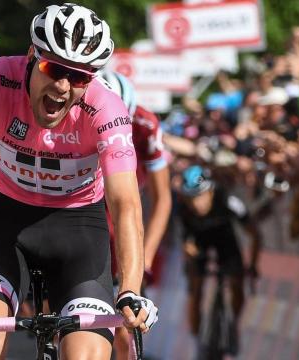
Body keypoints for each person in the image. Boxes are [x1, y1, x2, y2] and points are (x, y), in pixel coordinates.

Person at [0, 3, 158, 359]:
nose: (62, 86)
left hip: (80, 231)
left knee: (86, 355)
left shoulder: (107, 108)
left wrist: (130, 289)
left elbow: (125, 204)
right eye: (53, 68)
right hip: (8, 225)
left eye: (79, 77)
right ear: (30, 56)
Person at [100, 71, 172, 358]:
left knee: (123, 325)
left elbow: (162, 198)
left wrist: (145, 256)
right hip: (88, 212)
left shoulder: (146, 124)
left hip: (124, 216)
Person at [177, 164, 259, 357]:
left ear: (211, 191)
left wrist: (253, 265)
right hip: (199, 242)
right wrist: (191, 256)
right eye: (191, 198)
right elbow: (186, 243)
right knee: (196, 288)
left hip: (225, 240)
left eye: (200, 196)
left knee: (237, 282)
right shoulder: (182, 208)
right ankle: (197, 339)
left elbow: (255, 235)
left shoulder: (228, 200)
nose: (196, 204)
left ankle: (233, 324)